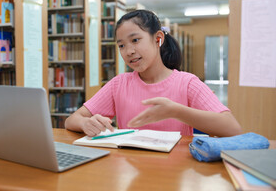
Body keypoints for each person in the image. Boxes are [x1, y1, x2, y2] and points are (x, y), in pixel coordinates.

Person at [65, 9, 242, 137]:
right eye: (121, 45)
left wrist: (175, 111)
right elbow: (72, 120)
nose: (129, 51)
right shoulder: (119, 84)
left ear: (158, 39)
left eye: (135, 40)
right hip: (130, 171)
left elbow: (233, 128)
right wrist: (85, 123)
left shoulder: (187, 83)